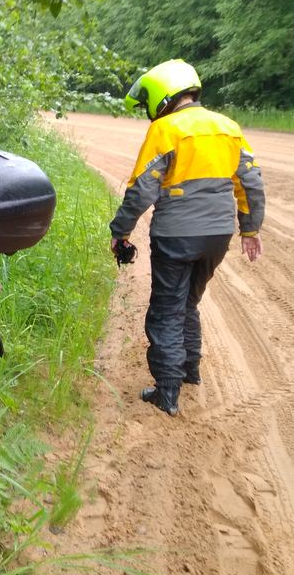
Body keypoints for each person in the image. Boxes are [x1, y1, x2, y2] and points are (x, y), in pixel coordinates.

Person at [109, 59, 265, 416]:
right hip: (218, 234)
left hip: (176, 234)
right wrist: (250, 229)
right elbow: (251, 182)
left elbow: (142, 188)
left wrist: (121, 232)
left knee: (166, 309)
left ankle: (167, 393)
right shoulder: (228, 127)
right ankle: (190, 371)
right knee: (189, 302)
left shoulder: (166, 130)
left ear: (164, 94)